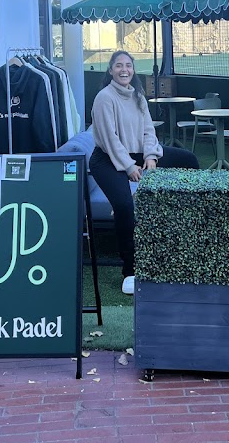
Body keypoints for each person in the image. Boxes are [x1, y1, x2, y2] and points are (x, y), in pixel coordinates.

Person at [90, 50, 199, 295]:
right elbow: (110, 139)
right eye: (119, 65)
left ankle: (183, 234)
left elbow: (149, 130)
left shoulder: (138, 96)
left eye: (128, 65)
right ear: (111, 70)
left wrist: (150, 155)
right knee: (124, 206)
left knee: (188, 160)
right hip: (107, 158)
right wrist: (129, 167)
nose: (124, 70)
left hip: (137, 154)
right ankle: (130, 270)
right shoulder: (104, 98)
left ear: (133, 69)